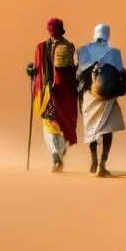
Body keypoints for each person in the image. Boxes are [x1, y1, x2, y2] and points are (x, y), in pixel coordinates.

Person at [28, 17, 79, 173]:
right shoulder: (69, 46)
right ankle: (59, 156)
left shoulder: (41, 47)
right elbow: (73, 70)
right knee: (66, 124)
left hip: (48, 93)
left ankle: (55, 156)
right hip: (67, 93)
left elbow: (37, 69)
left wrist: (30, 71)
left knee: (48, 123)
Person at [76, 23, 126, 177]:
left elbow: (78, 73)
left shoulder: (84, 50)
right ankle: (102, 165)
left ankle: (93, 162)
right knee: (107, 129)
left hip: (89, 95)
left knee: (91, 129)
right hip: (107, 97)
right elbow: (120, 71)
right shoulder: (115, 52)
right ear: (108, 35)